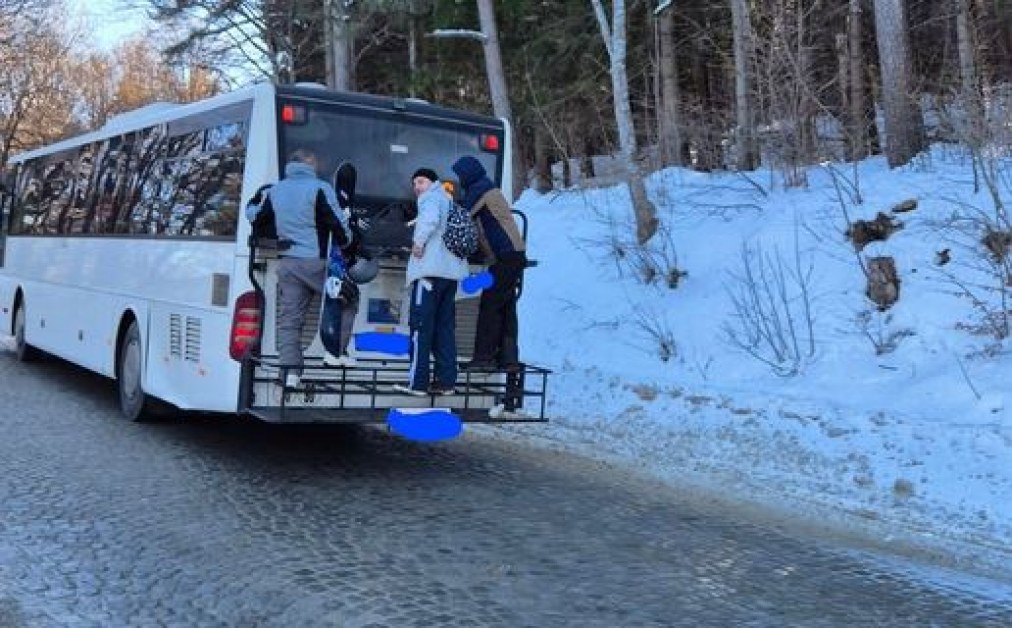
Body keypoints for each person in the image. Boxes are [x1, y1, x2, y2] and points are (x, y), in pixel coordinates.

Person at [245, 149, 350, 388]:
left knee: (290, 321)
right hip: (316, 263)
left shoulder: (275, 190)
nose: (318, 163)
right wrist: (348, 245)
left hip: (288, 264)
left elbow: (255, 216)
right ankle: (335, 352)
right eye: (315, 160)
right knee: (348, 298)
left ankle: (290, 373)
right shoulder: (320, 188)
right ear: (308, 163)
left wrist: (252, 201)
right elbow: (337, 222)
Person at [392, 168, 469, 397]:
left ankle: (417, 384)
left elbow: (430, 220)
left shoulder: (431, 198)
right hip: (450, 276)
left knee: (420, 328)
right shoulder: (449, 200)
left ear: (433, 182)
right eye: (414, 183)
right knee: (444, 329)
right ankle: (446, 382)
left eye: (421, 181)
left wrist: (418, 243)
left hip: (428, 275)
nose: (417, 187)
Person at [451, 155, 527, 372]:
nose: (459, 180)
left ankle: (483, 358)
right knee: (506, 307)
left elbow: (462, 214)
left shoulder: (480, 189)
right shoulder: (488, 188)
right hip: (514, 254)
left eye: (460, 176)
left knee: (490, 306)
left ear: (468, 174)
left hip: (505, 256)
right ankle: (508, 359)